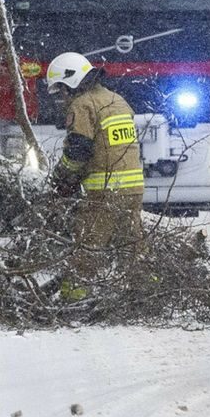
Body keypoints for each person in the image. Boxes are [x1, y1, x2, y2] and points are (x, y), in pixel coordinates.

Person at [45, 51, 145, 301]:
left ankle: (73, 299)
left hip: (104, 192)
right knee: (132, 248)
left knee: (86, 248)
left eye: (61, 91)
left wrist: (61, 177)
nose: (62, 99)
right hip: (133, 190)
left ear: (71, 82)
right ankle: (145, 294)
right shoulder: (116, 100)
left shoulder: (83, 104)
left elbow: (78, 150)